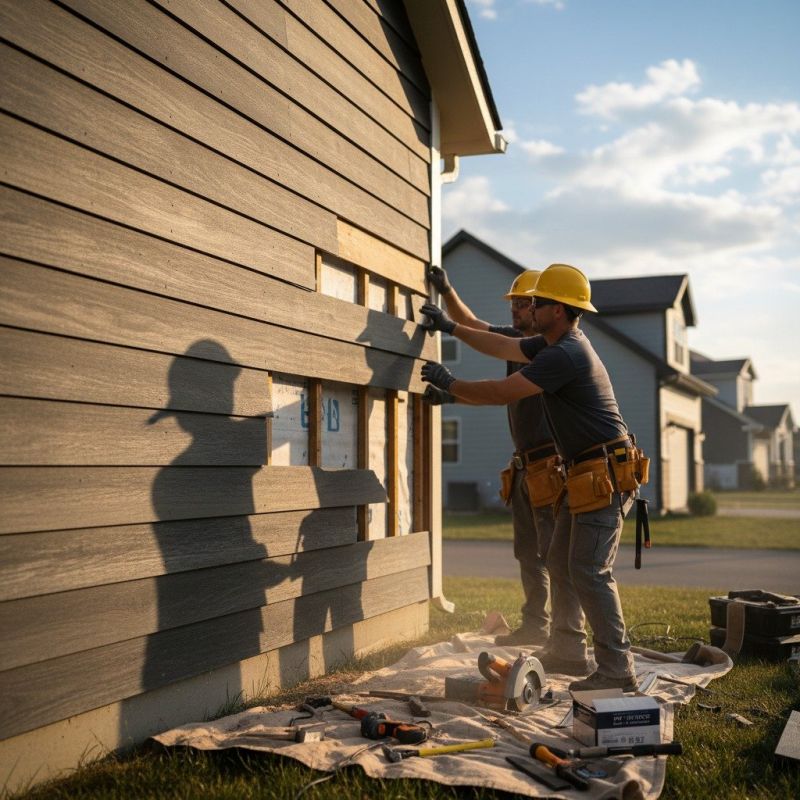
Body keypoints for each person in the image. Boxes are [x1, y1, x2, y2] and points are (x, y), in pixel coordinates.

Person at [420, 264, 645, 692]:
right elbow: (499, 342)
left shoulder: (566, 353)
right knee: (560, 561)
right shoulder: (552, 343)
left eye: (538, 302)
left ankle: (617, 668)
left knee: (590, 570)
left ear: (558, 311)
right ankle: (568, 651)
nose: (531, 306)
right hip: (584, 475)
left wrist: (453, 384)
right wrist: (450, 329)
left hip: (603, 477)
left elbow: (504, 391)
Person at [425, 265, 555, 647]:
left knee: (553, 555)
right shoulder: (518, 339)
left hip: (551, 466)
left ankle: (563, 634)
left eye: (522, 304)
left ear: (541, 307)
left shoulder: (547, 351)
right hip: (525, 465)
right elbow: (473, 324)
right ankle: (536, 626)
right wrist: (447, 289)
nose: (515, 310)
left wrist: (452, 386)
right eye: (513, 303)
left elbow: (500, 391)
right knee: (527, 552)